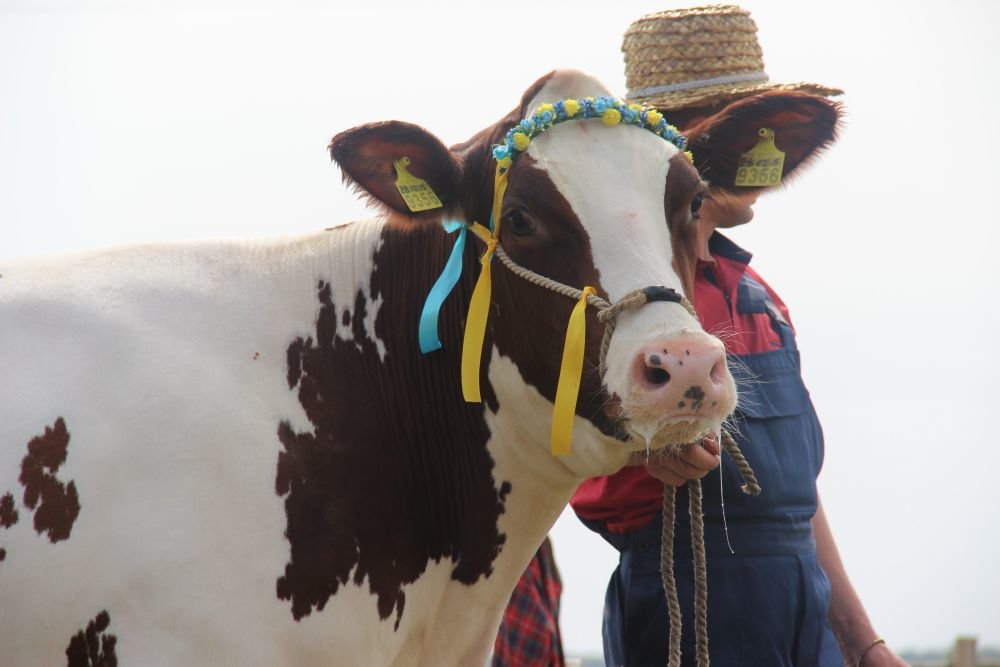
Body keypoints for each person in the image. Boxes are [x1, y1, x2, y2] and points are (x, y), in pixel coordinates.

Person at [569, 6, 910, 667]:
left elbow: (796, 502)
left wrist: (861, 641)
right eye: (754, 134)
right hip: (687, 604)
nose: (767, 155)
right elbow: (561, 453)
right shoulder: (621, 310)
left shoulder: (763, 300)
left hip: (805, 614)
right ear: (699, 145)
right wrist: (645, 455)